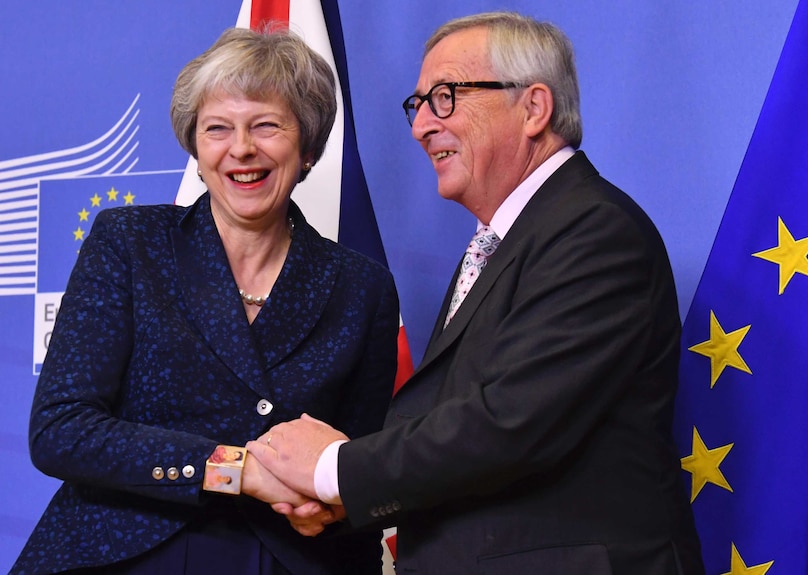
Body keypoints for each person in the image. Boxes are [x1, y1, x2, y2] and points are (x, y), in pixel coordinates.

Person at [248, 11, 705, 575]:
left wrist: (331, 470)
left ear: (534, 107)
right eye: (418, 106)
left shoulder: (595, 231)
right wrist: (342, 501)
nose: (420, 128)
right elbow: (454, 423)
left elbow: (509, 425)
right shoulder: (505, 240)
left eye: (445, 97)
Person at [11, 26, 398, 575]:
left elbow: (359, 467)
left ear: (307, 147)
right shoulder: (129, 243)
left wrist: (335, 507)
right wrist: (234, 470)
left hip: (286, 557)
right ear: (195, 147)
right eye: (218, 128)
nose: (241, 148)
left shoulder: (362, 287)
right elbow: (61, 431)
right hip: (124, 552)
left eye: (266, 126)